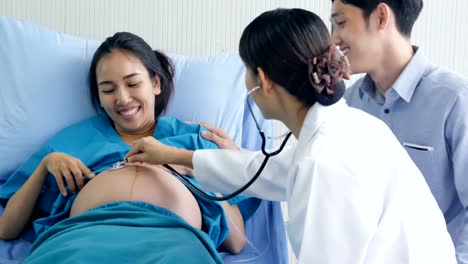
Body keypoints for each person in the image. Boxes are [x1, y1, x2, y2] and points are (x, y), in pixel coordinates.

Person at [125, 8, 456, 263]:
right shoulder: (347, 127)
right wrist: (174, 157)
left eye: (246, 70)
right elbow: (272, 169)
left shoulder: (324, 160)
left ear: (263, 80)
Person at [0, 32, 248, 263]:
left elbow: (236, 242)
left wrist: (198, 169)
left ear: (156, 83)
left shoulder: (195, 140)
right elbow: (6, 228)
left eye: (132, 84)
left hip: (174, 242)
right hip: (80, 240)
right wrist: (45, 165)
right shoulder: (71, 141)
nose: (122, 98)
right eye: (108, 89)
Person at [330, 0, 468, 262]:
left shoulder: (456, 100)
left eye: (340, 23)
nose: (333, 39)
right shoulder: (346, 106)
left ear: (381, 17)